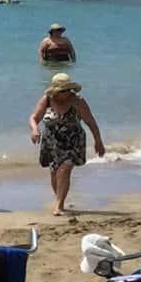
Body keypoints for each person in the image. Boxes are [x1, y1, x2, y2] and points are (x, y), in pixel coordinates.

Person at [29, 73, 105, 216]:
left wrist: (98, 141)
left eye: (68, 89)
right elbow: (34, 117)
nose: (67, 93)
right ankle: (60, 199)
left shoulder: (78, 101)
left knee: (65, 169)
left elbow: (91, 122)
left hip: (73, 141)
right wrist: (34, 130)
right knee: (54, 173)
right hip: (52, 142)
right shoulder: (47, 100)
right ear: (56, 90)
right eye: (63, 90)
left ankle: (59, 206)